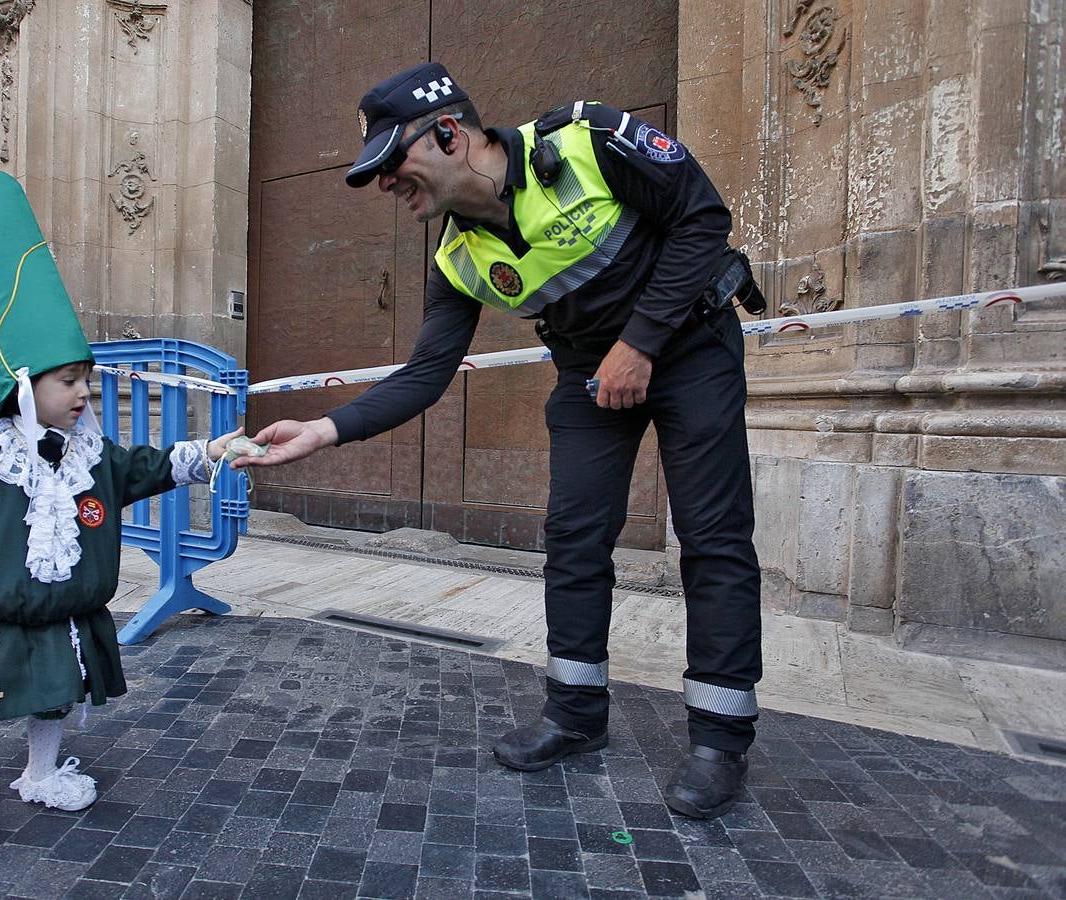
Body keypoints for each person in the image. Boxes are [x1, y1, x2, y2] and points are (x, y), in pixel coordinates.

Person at [234, 63, 763, 819]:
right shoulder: (456, 258)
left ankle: (719, 741)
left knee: (712, 538)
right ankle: (575, 715)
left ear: (448, 132)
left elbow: (704, 217)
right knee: (574, 536)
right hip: (588, 374)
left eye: (392, 163)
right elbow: (424, 376)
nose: (385, 184)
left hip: (693, 345)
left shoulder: (588, 139)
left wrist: (641, 342)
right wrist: (320, 431)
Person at [0, 170, 242, 872]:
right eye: (68, 382)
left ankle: (40, 773)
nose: (85, 393)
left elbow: (152, 467)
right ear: (23, 388)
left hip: (65, 613)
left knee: (55, 694)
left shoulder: (95, 455)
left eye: (87, 379)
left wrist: (212, 451)